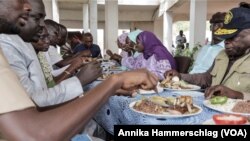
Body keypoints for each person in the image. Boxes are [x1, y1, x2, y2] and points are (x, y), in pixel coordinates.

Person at [0, 1, 158, 140]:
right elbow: (35, 130)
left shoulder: (19, 43)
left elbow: (38, 96)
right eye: (37, 17)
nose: (43, 26)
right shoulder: (8, 44)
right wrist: (114, 81)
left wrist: (108, 87)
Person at [164, 7, 250, 100]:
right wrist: (180, 76)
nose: (226, 41)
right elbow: (206, 79)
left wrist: (237, 95)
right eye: (225, 36)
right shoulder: (222, 55)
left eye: (233, 36)